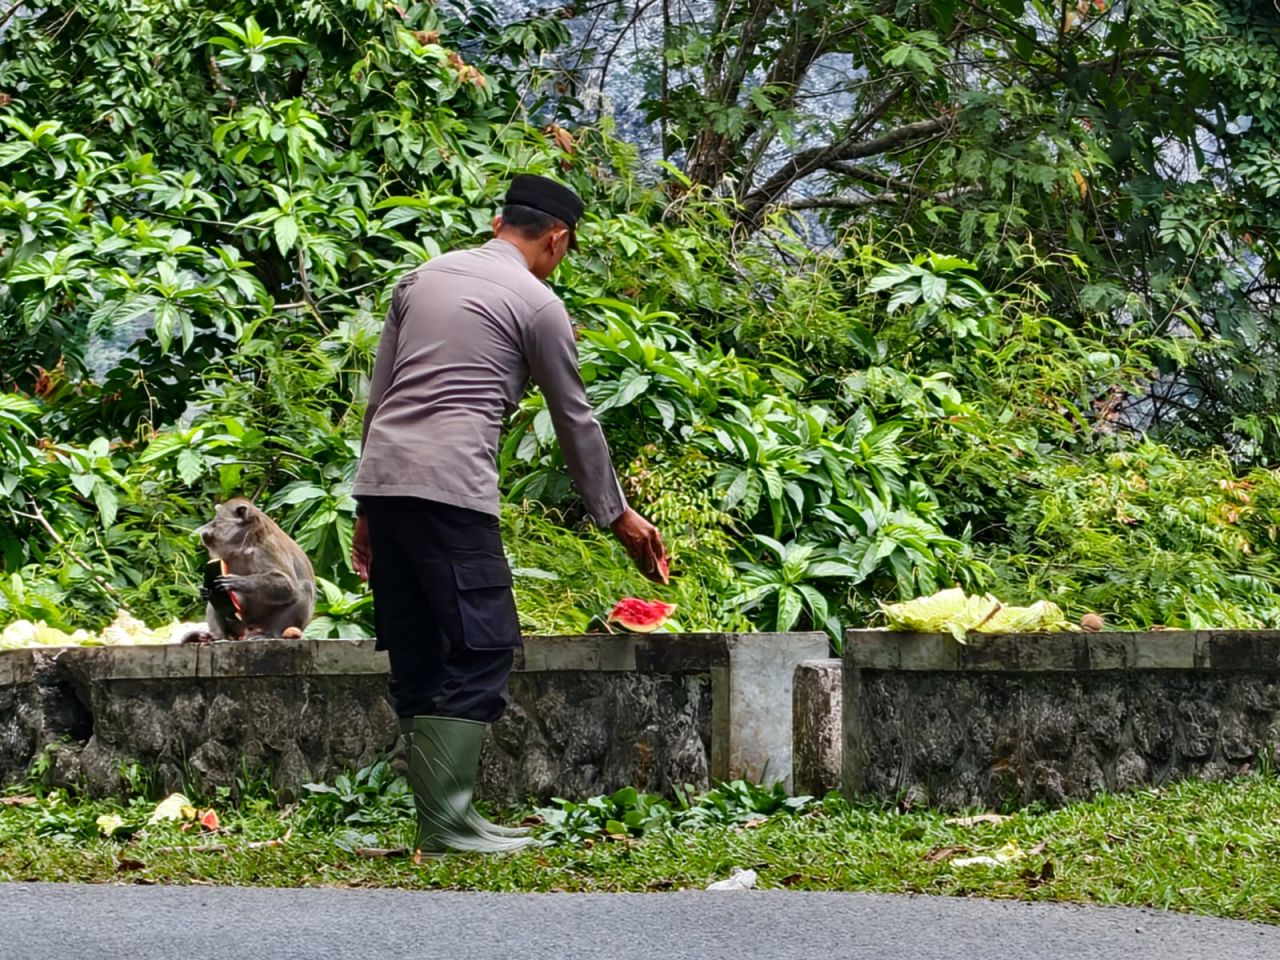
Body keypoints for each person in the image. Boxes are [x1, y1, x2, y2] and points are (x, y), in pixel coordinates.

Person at [349, 174, 668, 855]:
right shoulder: (537, 302)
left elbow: (380, 397)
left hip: (386, 481)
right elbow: (573, 417)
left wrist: (365, 507)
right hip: (452, 486)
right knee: (484, 642)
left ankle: (444, 819)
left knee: (418, 645)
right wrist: (618, 517)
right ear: (556, 238)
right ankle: (448, 826)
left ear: (500, 223)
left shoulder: (419, 278)